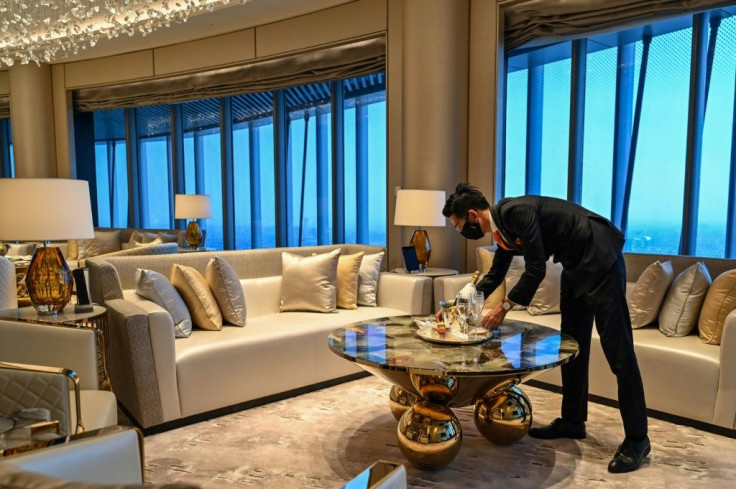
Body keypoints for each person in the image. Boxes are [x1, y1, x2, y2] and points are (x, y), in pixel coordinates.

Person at [442, 183, 650, 474]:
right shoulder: (502, 232)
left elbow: (536, 268)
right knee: (573, 347)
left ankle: (638, 439)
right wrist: (455, 305)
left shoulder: (517, 211)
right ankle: (573, 421)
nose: (460, 231)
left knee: (619, 353)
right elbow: (494, 276)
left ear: (473, 216)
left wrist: (504, 307)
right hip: (575, 265)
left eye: (459, 225)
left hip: (600, 257)